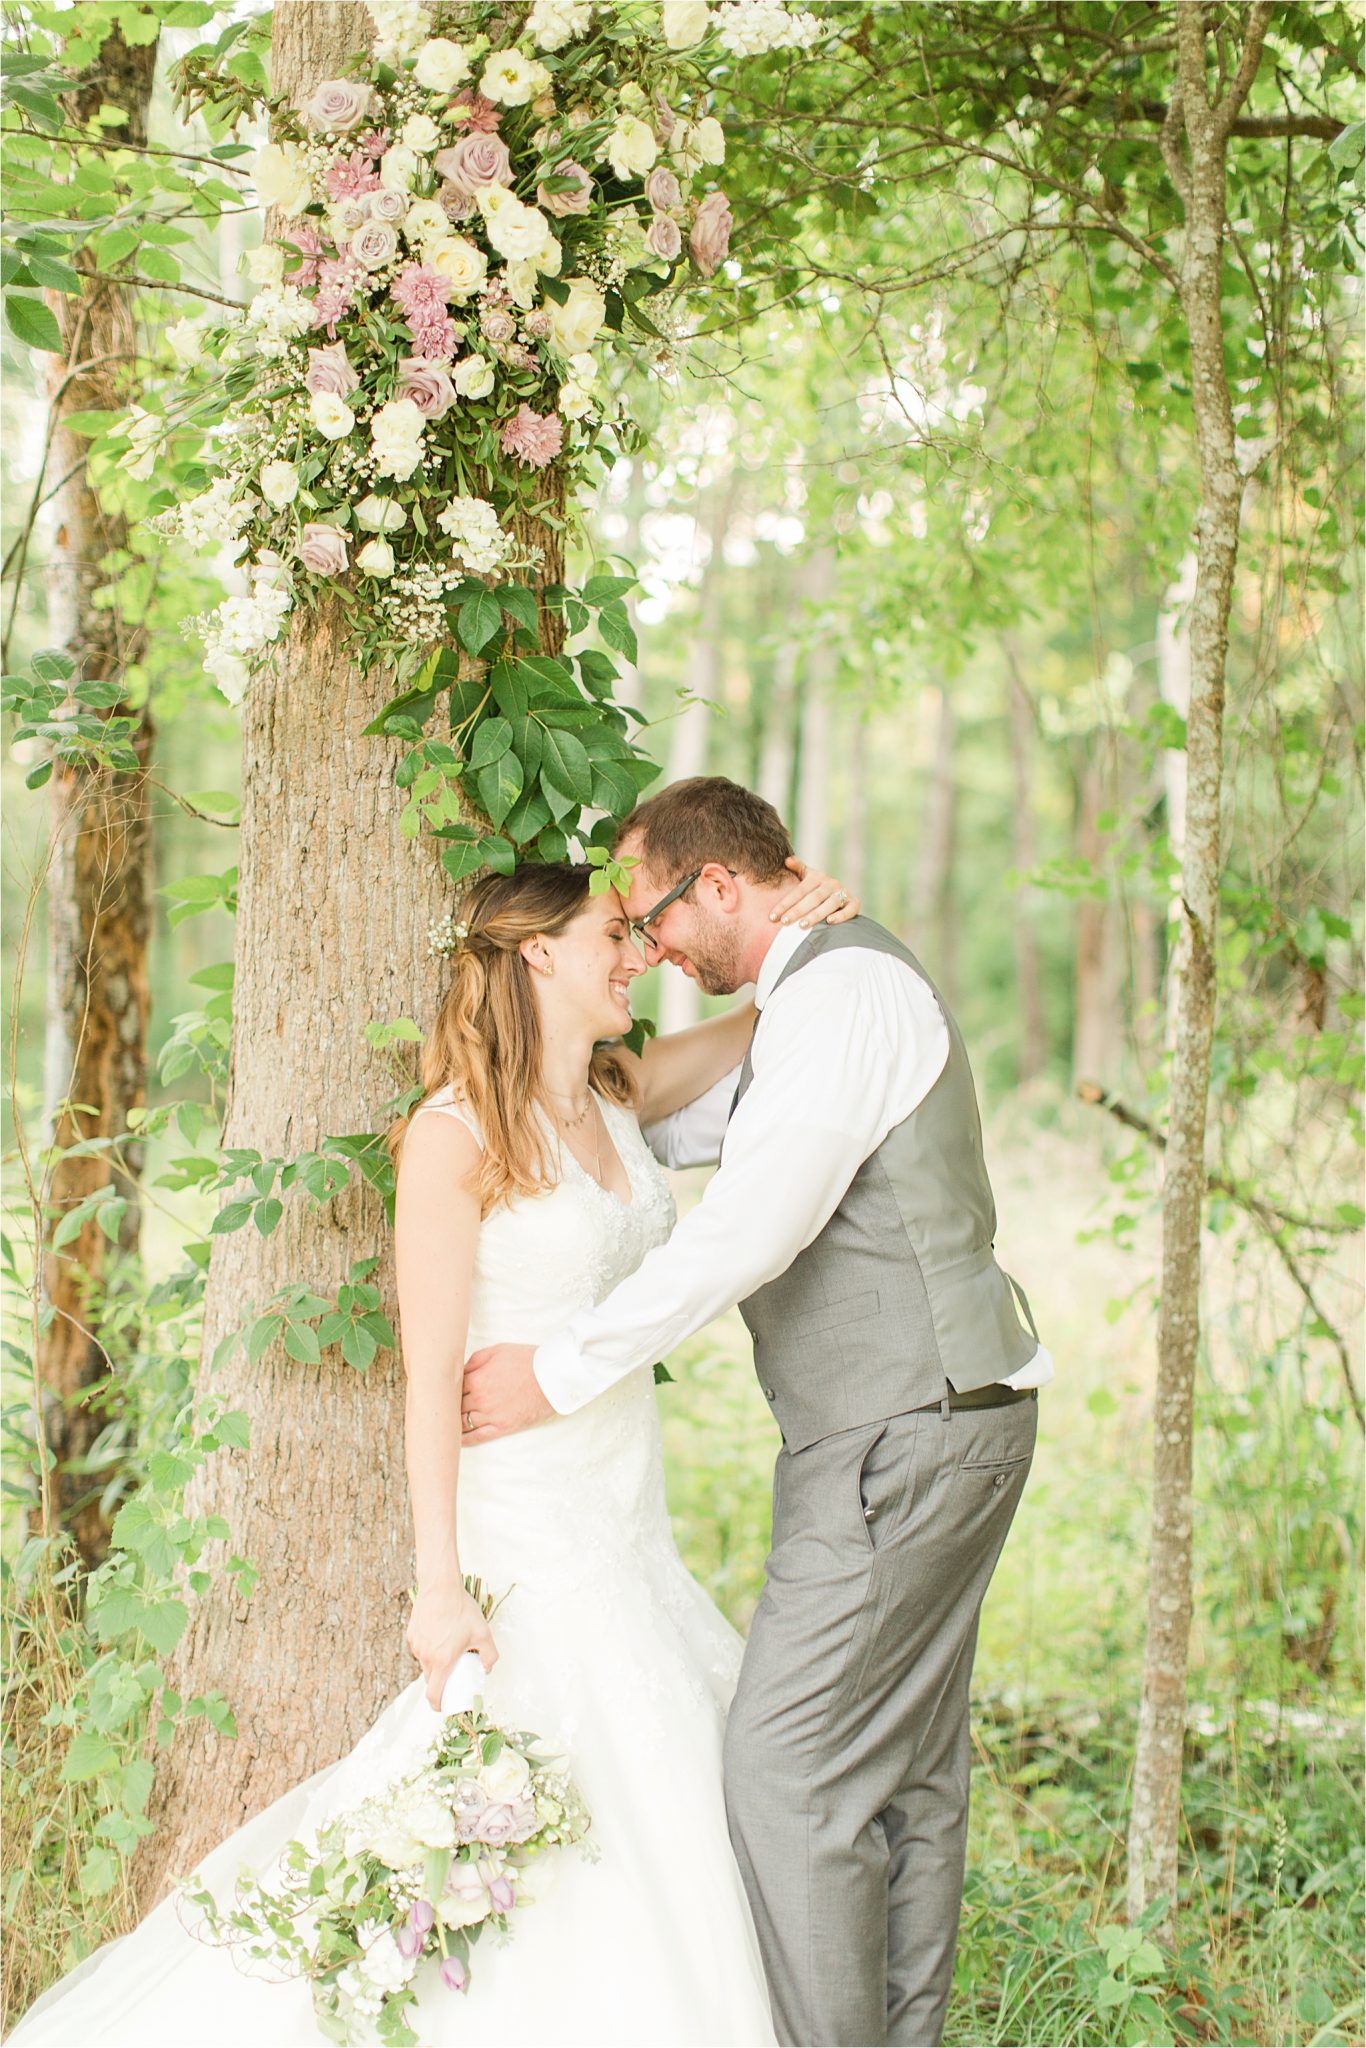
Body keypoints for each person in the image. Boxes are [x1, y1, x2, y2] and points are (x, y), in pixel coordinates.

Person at [10, 852, 857, 2048]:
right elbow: (426, 1379)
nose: (637, 956)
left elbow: (768, 1014)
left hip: (627, 1518)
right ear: (537, 954)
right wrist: (438, 1586)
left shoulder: (619, 1093)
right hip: (527, 1527)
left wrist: (806, 915)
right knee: (522, 1793)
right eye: (615, 935)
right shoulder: (452, 1138)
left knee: (666, 1785)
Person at [460, 776, 1052, 2048]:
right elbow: (669, 1135)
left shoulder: (840, 993)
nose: (652, 947)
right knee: (904, 1779)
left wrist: (556, 1371)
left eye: (657, 916)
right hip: (927, 1412)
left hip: (907, 1426)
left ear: (718, 884)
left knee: (785, 1771)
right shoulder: (813, 995)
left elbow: (750, 1226)